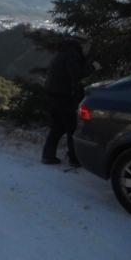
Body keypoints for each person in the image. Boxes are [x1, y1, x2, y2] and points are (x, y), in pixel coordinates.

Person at [41, 38, 92, 167]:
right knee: (71, 128)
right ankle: (74, 159)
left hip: (53, 95)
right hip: (64, 96)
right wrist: (93, 67)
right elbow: (76, 75)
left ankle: (48, 156)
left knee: (58, 127)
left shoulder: (61, 54)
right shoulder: (71, 56)